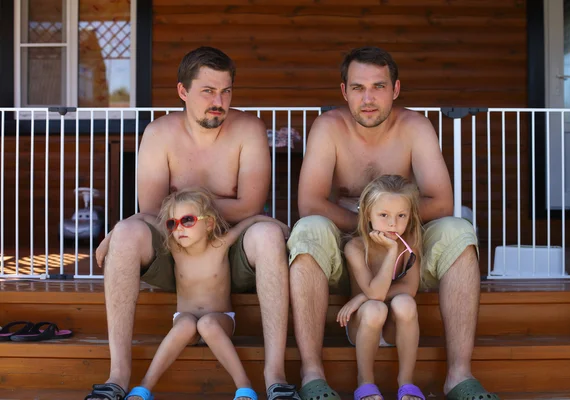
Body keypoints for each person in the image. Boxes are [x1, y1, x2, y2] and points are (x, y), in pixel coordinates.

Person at [287, 46, 500, 400]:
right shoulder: (328, 127)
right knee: (308, 228)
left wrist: (392, 227)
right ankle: (312, 376)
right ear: (344, 91)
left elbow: (442, 201)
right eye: (357, 88)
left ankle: (459, 376)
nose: (368, 98)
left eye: (378, 86)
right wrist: (371, 224)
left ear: (396, 89)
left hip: (405, 248)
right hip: (347, 250)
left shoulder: (415, 126)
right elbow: (309, 202)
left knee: (459, 229)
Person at [86, 47, 299, 400]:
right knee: (126, 234)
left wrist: (187, 206)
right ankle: (118, 375)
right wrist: (122, 227)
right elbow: (154, 210)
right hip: (177, 252)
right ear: (183, 91)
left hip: (230, 253)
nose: (219, 100)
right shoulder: (159, 133)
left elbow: (249, 205)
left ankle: (275, 375)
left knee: (266, 233)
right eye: (208, 91)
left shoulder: (249, 129)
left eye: (226, 91)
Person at [125, 188, 289, 400]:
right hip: (185, 319)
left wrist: (278, 225)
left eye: (188, 220)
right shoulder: (176, 248)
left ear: (209, 223)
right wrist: (108, 239)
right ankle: (145, 387)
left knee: (207, 324)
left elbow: (249, 222)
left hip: (220, 320)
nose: (179, 228)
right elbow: (144, 217)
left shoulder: (220, 245)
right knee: (186, 324)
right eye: (172, 223)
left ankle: (244, 386)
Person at [336, 175, 425, 400]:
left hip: (395, 327)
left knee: (405, 302)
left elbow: (410, 288)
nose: (393, 224)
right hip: (364, 324)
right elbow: (375, 294)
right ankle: (365, 383)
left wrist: (359, 298)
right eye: (383, 215)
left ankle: (406, 383)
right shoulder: (355, 247)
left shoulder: (411, 244)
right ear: (368, 214)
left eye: (401, 216)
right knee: (376, 308)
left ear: (410, 216)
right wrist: (391, 253)